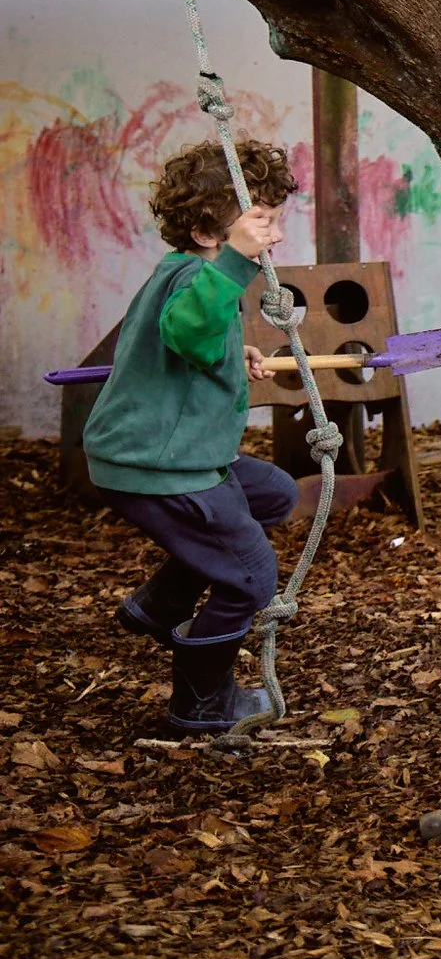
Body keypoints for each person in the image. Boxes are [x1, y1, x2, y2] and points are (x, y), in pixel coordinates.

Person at [88, 139, 305, 734]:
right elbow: (188, 328)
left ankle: (159, 606)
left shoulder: (187, 275)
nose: (272, 238)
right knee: (250, 574)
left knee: (274, 495)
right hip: (159, 467)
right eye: (258, 223)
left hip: (170, 455)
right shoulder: (199, 278)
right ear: (213, 233)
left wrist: (240, 351)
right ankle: (202, 704)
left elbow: (186, 341)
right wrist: (237, 261)